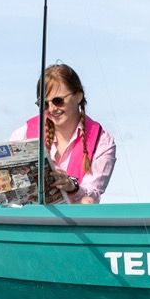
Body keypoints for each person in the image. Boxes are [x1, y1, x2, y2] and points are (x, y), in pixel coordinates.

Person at [16, 64, 117, 203]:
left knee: (87, 202)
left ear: (78, 96)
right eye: (44, 104)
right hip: (30, 217)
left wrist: (72, 186)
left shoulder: (102, 141)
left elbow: (93, 191)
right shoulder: (24, 133)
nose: (51, 109)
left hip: (73, 220)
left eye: (58, 101)